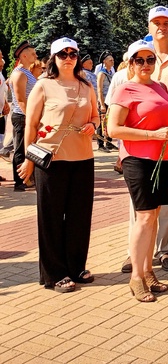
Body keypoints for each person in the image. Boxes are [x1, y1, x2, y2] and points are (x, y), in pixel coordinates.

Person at [121, 6, 168, 274]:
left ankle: (165, 249)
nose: (161, 27)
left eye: (166, 22)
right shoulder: (137, 54)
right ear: (149, 25)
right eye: (156, 22)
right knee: (140, 204)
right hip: (139, 143)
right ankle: (137, 255)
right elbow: (120, 107)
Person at [18, 38, 100, 293]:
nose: (68, 58)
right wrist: (28, 163)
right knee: (51, 218)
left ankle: (76, 266)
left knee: (79, 217)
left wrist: (93, 126)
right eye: (62, 54)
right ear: (53, 58)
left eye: (72, 53)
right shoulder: (43, 86)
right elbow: (30, 127)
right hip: (50, 160)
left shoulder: (86, 86)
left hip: (83, 158)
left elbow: (96, 115)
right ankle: (55, 273)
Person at [108, 39, 168, 303]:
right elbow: (113, 129)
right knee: (145, 217)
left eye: (150, 60)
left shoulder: (160, 87)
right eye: (139, 60)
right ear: (130, 63)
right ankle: (136, 276)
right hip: (138, 160)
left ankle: (148, 271)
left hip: (164, 159)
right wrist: (152, 134)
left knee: (154, 216)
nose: (145, 65)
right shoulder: (126, 90)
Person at [9, 40, 38, 191]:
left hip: (27, 115)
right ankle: (19, 182)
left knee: (28, 147)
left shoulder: (26, 72)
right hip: (22, 116)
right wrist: (31, 117)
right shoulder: (19, 73)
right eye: (33, 53)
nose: (36, 55)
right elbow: (21, 100)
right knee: (20, 148)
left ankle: (28, 178)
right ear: (24, 56)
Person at [96, 52, 116, 152]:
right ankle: (100, 145)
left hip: (110, 100)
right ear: (104, 62)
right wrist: (102, 104)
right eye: (110, 60)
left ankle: (108, 142)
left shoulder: (111, 73)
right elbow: (99, 89)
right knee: (101, 123)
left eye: (112, 59)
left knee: (109, 121)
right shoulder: (101, 73)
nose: (112, 61)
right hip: (103, 100)